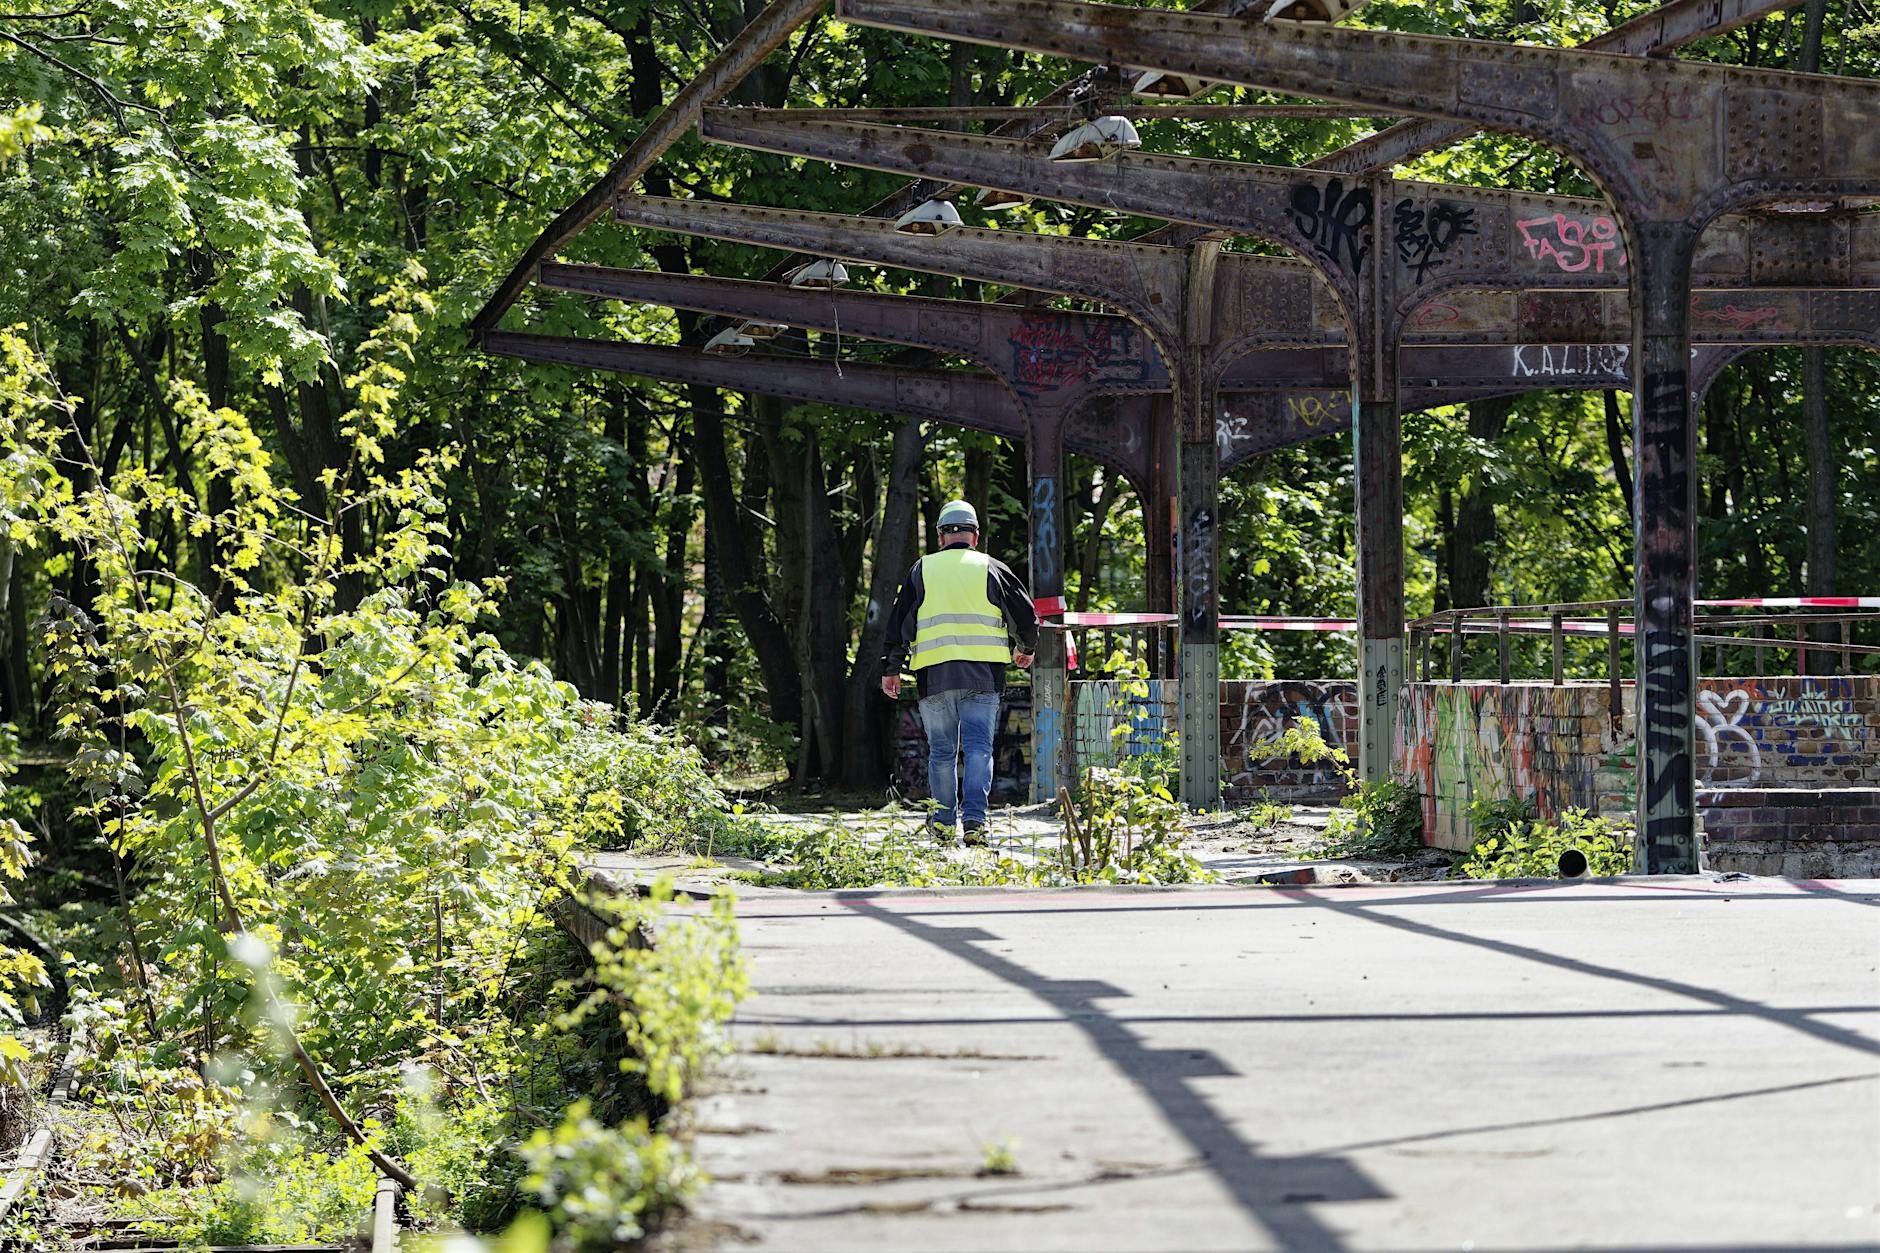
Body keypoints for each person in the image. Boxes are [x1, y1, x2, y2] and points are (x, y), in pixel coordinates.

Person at [881, 499, 1039, 844]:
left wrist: (892, 669)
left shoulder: (921, 570)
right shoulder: (992, 568)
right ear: (976, 535)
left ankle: (941, 824)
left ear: (940, 536)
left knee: (941, 752)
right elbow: (1026, 617)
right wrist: (1024, 649)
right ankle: (975, 824)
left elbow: (899, 625)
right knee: (980, 748)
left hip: (933, 677)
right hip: (983, 674)